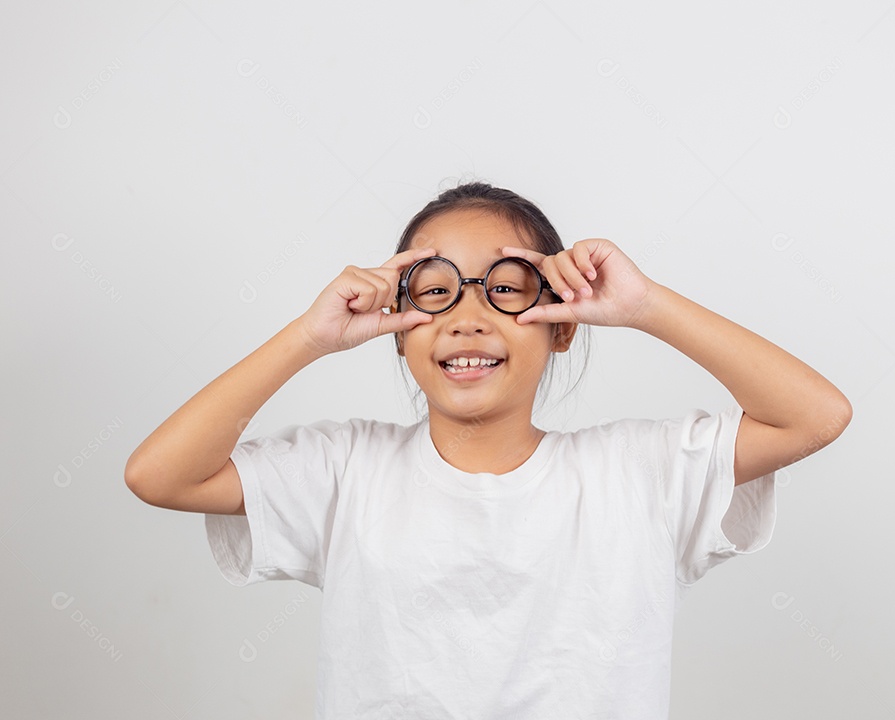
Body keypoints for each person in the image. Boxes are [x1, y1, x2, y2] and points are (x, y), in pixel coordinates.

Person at [125, 181, 852, 718]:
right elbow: (159, 474)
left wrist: (647, 305)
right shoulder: (345, 472)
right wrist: (309, 337)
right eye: (434, 293)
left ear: (562, 323)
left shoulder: (640, 474)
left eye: (505, 290)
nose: (468, 320)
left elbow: (815, 416)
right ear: (398, 324)